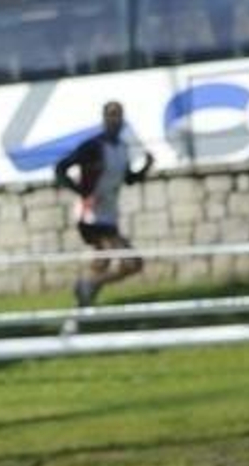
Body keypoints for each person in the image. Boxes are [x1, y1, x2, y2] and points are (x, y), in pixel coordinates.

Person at [55, 100, 155, 309]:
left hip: (109, 215)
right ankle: (87, 285)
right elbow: (61, 168)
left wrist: (146, 165)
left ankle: (85, 299)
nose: (114, 120)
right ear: (104, 119)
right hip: (90, 215)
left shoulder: (121, 148)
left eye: (118, 115)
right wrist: (82, 192)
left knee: (102, 261)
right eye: (110, 115)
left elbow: (128, 179)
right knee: (131, 262)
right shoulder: (92, 146)